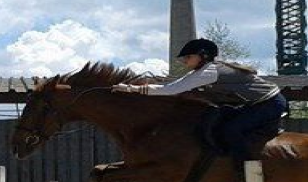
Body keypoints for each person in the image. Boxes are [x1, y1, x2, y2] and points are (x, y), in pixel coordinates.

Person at [111, 38, 287, 163]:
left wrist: (131, 89)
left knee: (231, 129)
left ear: (202, 55)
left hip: (270, 103)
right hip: (258, 104)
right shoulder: (204, 71)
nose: (184, 61)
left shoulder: (209, 72)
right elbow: (172, 86)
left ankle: (247, 168)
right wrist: (131, 88)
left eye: (188, 57)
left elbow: (170, 90)